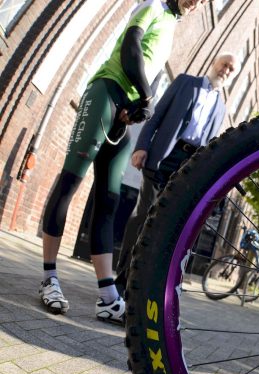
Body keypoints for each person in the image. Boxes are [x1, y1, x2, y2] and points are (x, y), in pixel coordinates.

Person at [38, 0, 205, 324]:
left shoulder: (172, 23)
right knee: (70, 182)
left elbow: (145, 69)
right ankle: (49, 278)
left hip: (123, 116)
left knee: (108, 203)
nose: (197, 2)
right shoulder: (154, 5)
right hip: (106, 91)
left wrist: (139, 103)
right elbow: (130, 48)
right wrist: (146, 98)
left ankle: (107, 296)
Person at [115, 52, 237, 291]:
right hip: (164, 156)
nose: (226, 70)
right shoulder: (185, 82)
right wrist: (142, 147)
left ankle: (139, 286)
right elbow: (156, 116)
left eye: (231, 69)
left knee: (164, 225)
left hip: (188, 166)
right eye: (225, 64)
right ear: (215, 63)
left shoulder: (221, 108)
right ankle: (120, 282)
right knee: (143, 217)